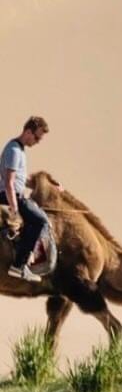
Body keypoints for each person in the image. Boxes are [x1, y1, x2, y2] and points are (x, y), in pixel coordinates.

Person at [2, 116, 51, 282]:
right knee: (41, 221)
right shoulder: (14, 150)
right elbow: (9, 181)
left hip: (15, 194)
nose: (37, 142)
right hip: (11, 196)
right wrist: (14, 209)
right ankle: (19, 265)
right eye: (37, 137)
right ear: (28, 132)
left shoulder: (19, 149)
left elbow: (21, 178)